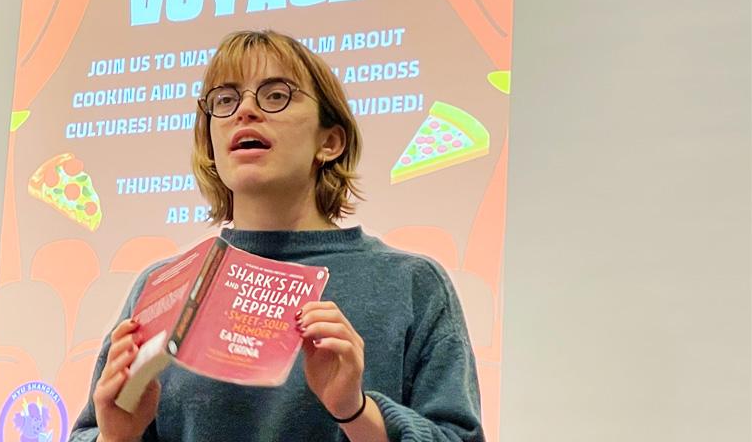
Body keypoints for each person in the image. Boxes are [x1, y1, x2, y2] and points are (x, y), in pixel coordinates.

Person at [69, 29, 485, 442]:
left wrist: (356, 412)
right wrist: (116, 438)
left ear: (330, 141)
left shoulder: (411, 284)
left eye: (275, 95)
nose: (245, 111)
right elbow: (94, 432)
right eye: (225, 100)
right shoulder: (165, 288)